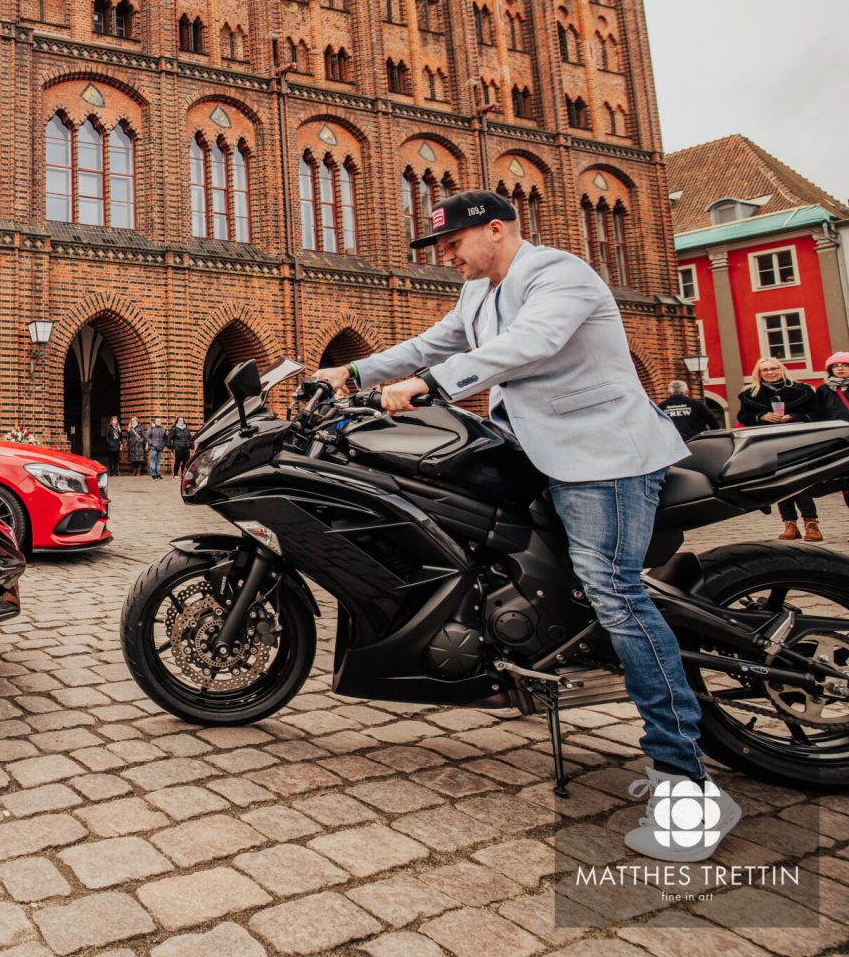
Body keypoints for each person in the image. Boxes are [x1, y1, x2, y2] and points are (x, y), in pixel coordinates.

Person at [313, 189, 738, 862]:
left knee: (614, 591)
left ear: (497, 230)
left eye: (454, 243)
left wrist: (427, 386)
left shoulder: (559, 273)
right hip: (540, 452)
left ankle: (684, 779)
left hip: (603, 455)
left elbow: (527, 345)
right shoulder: (477, 293)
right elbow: (430, 343)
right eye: (440, 247)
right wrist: (353, 370)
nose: (447, 256)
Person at [738, 356, 820, 540]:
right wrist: (761, 417)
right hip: (770, 442)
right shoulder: (750, 394)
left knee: (801, 481)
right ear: (759, 373)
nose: (770, 372)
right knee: (781, 483)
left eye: (773, 368)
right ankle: (790, 524)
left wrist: (794, 416)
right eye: (765, 370)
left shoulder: (802, 390)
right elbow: (743, 416)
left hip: (798, 440)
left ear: (781, 369)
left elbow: (816, 413)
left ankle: (811, 523)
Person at [817, 352, 849, 514]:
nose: (840, 368)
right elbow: (819, 415)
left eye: (845, 365)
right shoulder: (823, 390)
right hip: (839, 441)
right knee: (846, 481)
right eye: (835, 366)